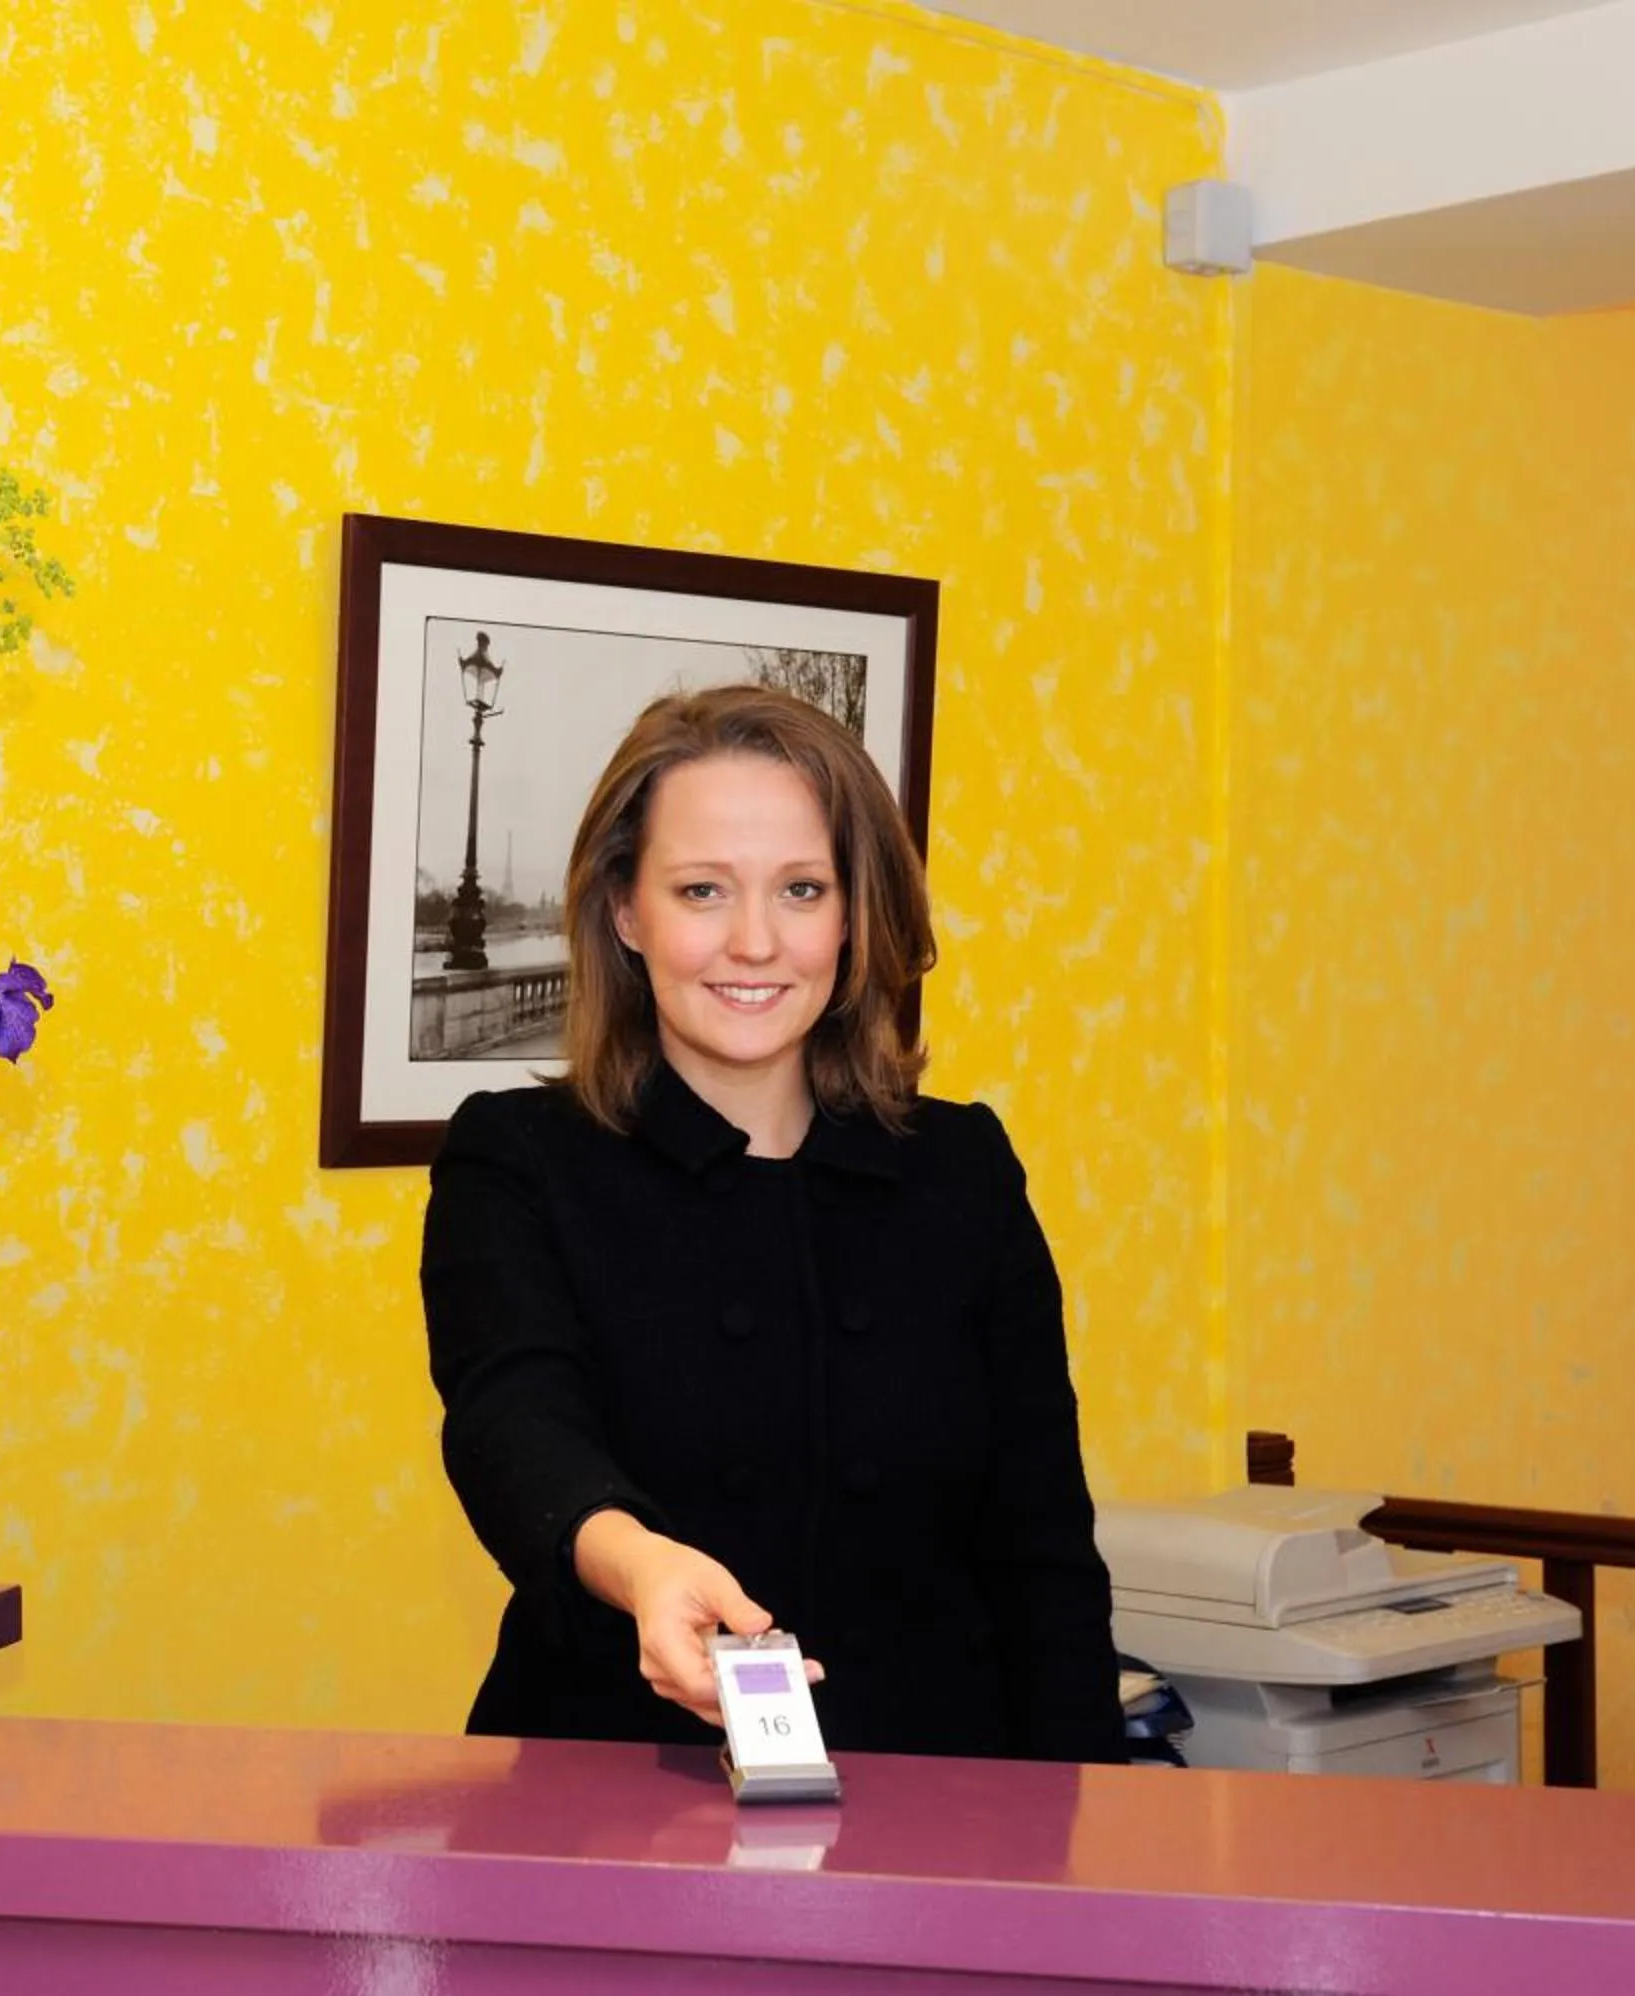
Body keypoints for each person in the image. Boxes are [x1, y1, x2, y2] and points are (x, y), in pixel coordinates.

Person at [419, 684, 1122, 1762]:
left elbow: (1046, 1554)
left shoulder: (962, 1170)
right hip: (609, 1783)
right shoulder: (517, 1158)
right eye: (701, 890)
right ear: (625, 912)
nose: (755, 942)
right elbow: (513, 1427)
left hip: (936, 1790)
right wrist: (638, 1563)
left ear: (852, 915)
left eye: (801, 889)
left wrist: (1092, 1820)